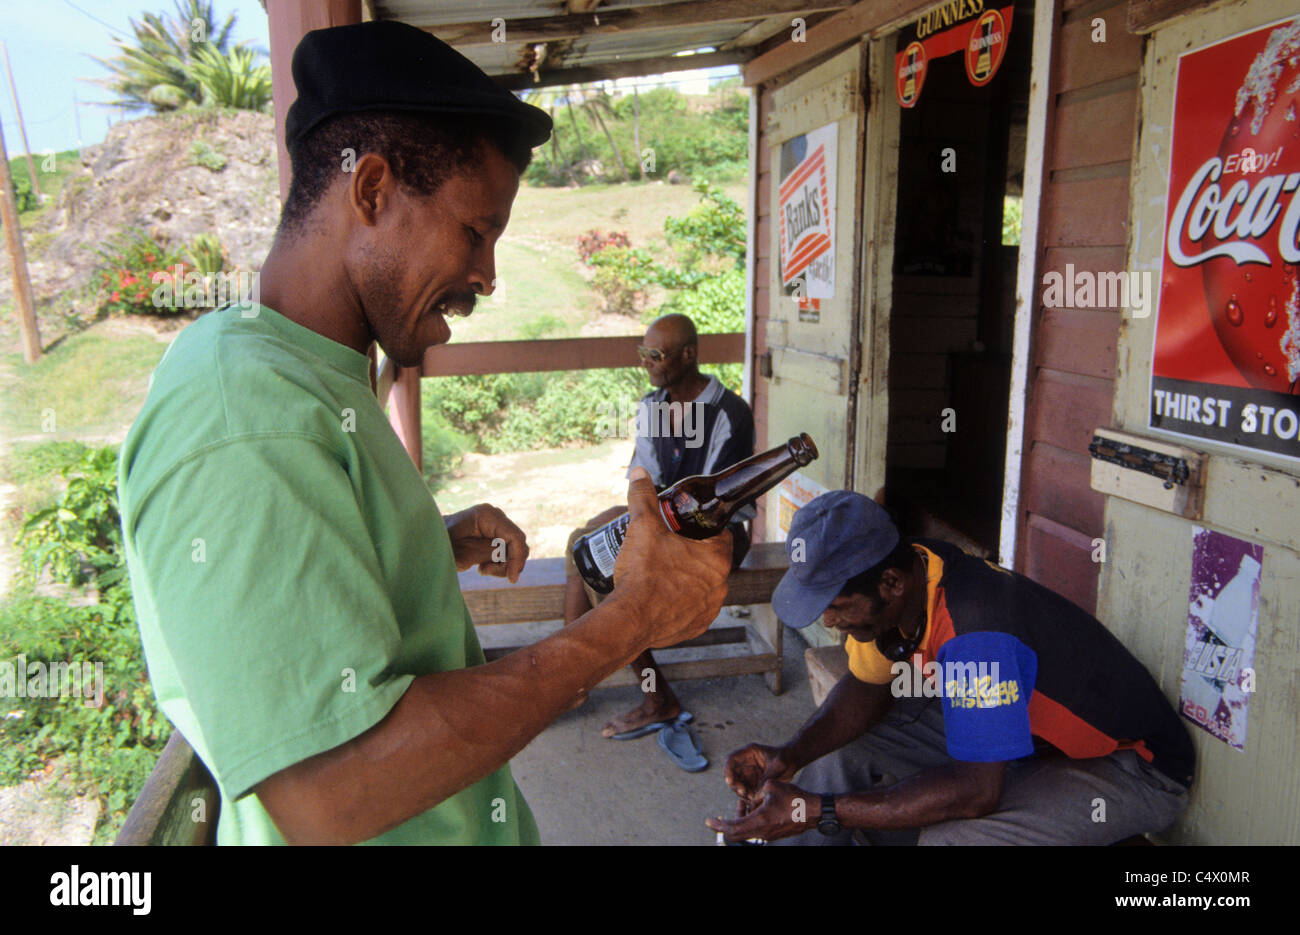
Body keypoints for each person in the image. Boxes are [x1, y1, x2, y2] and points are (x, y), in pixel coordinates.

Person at [117, 21, 733, 846]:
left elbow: (293, 604)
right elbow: (331, 789)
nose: (486, 275)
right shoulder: (243, 416)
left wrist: (421, 548)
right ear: (371, 191)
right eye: (475, 232)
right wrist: (633, 615)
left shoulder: (302, 373)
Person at [708, 491, 1195, 844]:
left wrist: (816, 810)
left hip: (1130, 768)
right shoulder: (920, 566)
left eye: (836, 606)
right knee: (838, 755)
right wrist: (789, 756)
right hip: (1024, 742)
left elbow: (974, 792)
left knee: (955, 839)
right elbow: (868, 684)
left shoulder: (975, 630)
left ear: (892, 584)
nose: (828, 622)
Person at [563, 313, 755, 752]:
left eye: (656, 355)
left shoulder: (729, 413)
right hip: (663, 518)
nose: (646, 363)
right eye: (642, 353)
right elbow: (641, 480)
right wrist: (634, 521)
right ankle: (569, 676)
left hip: (718, 534)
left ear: (689, 355)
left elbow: (707, 505)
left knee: (615, 572)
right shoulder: (652, 407)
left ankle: (651, 697)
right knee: (584, 544)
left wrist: (643, 529)